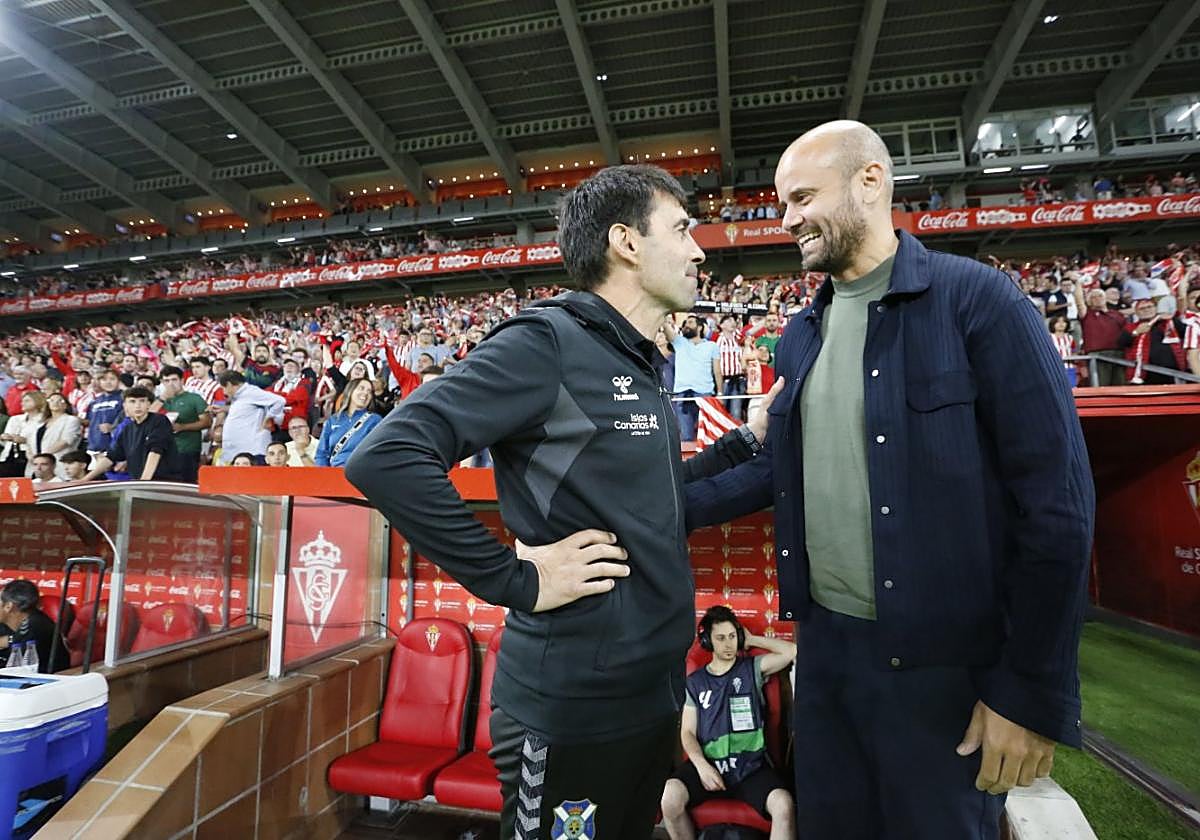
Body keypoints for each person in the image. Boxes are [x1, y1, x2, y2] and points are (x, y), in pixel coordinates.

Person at [683, 121, 1094, 840]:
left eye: (802, 196)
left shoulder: (980, 303)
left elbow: (1057, 510)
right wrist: (652, 508)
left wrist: (1029, 692)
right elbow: (774, 471)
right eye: (781, 203)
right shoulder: (802, 336)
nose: (786, 219)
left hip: (945, 671)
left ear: (870, 181)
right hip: (828, 657)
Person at [345, 164, 781, 840]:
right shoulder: (546, 343)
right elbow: (387, 457)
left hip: (650, 699)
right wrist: (511, 580)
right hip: (570, 709)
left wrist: (743, 443)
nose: (700, 251)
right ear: (626, 243)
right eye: (682, 230)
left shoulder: (639, 361)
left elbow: (655, 500)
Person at [661, 606, 797, 840]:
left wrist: (751, 639)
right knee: (669, 798)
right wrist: (701, 766)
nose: (728, 644)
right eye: (721, 638)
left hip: (750, 769)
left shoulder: (752, 669)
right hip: (709, 767)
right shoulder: (695, 682)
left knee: (784, 805)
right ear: (707, 641)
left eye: (733, 636)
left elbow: (791, 651)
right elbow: (688, 733)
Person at [84, 386, 183, 481]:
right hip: (138, 482)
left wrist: (144, 481)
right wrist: (84, 479)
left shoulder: (159, 420)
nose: (137, 405)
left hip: (162, 482)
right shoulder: (127, 429)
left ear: (149, 404)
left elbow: (155, 451)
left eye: (142, 401)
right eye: (132, 401)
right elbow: (111, 456)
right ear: (125, 405)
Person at [663, 315, 721, 441]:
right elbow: (667, 330)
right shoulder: (679, 342)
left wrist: (720, 393)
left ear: (700, 327)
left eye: (690, 322)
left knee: (708, 436)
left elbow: (717, 371)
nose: (686, 326)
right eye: (685, 323)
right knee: (686, 436)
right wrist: (664, 316)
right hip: (682, 394)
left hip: (705, 393)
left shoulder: (712, 346)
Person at [215, 371, 285, 465]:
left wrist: (269, 418)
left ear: (229, 384)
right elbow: (245, 409)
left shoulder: (251, 392)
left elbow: (279, 401)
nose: (224, 392)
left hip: (252, 452)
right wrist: (224, 408)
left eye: (223, 388)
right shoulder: (239, 397)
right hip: (237, 452)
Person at [0, 580, 69, 673]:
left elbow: (17, 670)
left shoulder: (36, 626)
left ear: (8, 606)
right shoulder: (8, 623)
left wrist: (7, 641)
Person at [158, 365, 212, 483]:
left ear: (182, 381)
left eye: (174, 380)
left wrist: (182, 427)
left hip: (188, 450)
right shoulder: (159, 400)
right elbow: (148, 416)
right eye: (166, 381)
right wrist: (162, 398)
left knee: (187, 485)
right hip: (162, 451)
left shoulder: (194, 398)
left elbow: (207, 421)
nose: (170, 384)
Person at [1118, 298, 1189, 384]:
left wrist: (1172, 319)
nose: (1146, 310)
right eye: (1142, 308)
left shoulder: (1169, 322)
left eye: (1149, 307)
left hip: (1174, 370)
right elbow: (1121, 343)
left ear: (1156, 308)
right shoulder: (1131, 327)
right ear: (1136, 312)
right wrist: (1136, 332)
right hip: (1146, 372)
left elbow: (1188, 333)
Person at [315, 378, 381, 467]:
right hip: (333, 475)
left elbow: (377, 452)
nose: (366, 393)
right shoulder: (333, 420)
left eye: (369, 391)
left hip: (360, 474)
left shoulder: (375, 420)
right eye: (361, 388)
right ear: (350, 391)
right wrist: (324, 476)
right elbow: (321, 454)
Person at [0, 391, 48, 478]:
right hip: (9, 455)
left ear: (37, 401)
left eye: (27, 401)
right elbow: (5, 443)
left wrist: (25, 440)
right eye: (22, 401)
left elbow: (42, 440)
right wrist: (4, 438)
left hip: (29, 456)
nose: (23, 403)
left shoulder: (43, 420)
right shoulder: (15, 419)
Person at [84, 369, 124, 462]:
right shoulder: (94, 402)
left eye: (112, 379)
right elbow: (89, 422)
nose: (108, 382)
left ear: (118, 381)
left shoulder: (124, 398)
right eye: (104, 379)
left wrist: (114, 427)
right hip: (93, 448)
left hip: (114, 447)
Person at [40, 393, 83, 475]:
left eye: (60, 401)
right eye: (52, 400)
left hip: (60, 461)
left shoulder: (71, 420)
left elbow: (65, 441)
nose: (55, 403)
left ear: (66, 405)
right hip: (40, 464)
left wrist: (44, 456)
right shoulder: (41, 422)